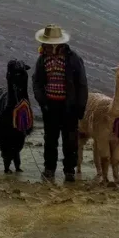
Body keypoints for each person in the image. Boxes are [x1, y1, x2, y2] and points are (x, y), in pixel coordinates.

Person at [32, 24, 88, 183]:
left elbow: (82, 84)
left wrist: (80, 108)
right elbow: (36, 81)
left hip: (69, 106)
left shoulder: (73, 59)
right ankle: (49, 169)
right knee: (50, 139)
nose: (49, 46)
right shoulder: (43, 59)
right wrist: (42, 101)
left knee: (70, 140)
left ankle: (69, 171)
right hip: (50, 106)